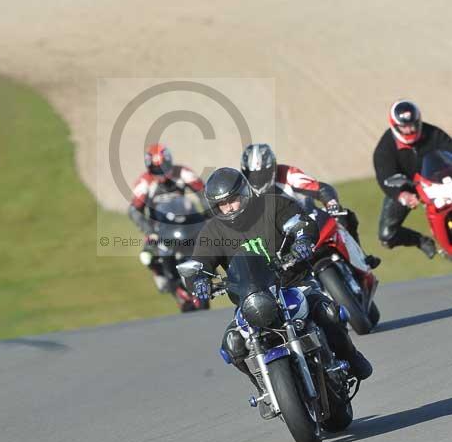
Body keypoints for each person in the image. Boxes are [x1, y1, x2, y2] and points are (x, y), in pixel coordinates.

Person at [186, 167, 372, 419]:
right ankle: (264, 388)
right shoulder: (212, 231)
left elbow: (301, 222)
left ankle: (351, 356)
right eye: (222, 205)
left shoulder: (273, 206)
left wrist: (303, 239)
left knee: (327, 312)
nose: (229, 208)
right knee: (233, 344)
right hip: (252, 298)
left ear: (245, 194)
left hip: (294, 284)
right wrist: (198, 280)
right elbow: (199, 264)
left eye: (232, 200)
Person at [241, 143, 381, 269]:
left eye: (262, 174)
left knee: (344, 216)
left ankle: (362, 259)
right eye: (252, 175)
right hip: (281, 240)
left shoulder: (287, 174)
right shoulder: (243, 194)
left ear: (272, 168)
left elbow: (319, 188)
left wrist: (331, 202)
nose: (257, 179)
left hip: (309, 219)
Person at [128, 143, 206, 311]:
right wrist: (150, 231)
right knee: (147, 256)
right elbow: (134, 211)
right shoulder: (144, 183)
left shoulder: (183, 173)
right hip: (160, 230)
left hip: (186, 225)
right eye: (157, 169)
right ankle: (165, 278)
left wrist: (209, 214)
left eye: (165, 167)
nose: (163, 173)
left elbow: (204, 193)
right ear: (150, 169)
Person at [373, 100, 452, 258]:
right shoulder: (384, 148)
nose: (409, 130)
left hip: (439, 182)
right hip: (407, 186)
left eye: (412, 125)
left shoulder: (434, 134)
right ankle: (420, 241)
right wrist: (401, 195)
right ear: (395, 126)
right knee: (387, 235)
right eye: (404, 126)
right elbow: (385, 177)